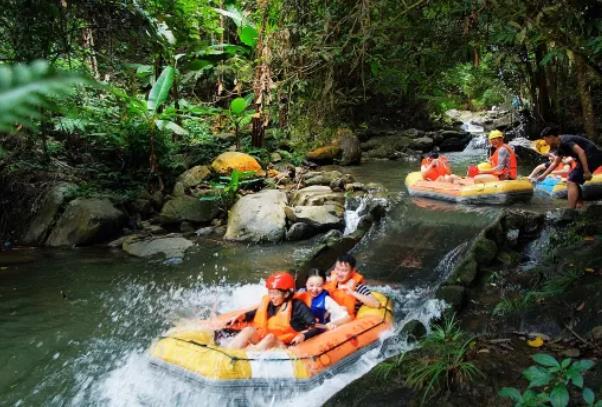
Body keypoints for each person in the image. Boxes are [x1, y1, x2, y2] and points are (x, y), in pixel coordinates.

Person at [225, 271, 323, 350]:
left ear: (287, 294)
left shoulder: (298, 306)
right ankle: (228, 353)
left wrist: (303, 336)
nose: (272, 297)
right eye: (270, 293)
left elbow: (316, 326)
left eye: (275, 293)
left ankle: (244, 361)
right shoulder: (270, 303)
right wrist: (242, 316)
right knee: (248, 330)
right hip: (264, 343)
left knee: (270, 337)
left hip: (286, 347)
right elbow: (255, 312)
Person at [537, 125, 602, 208]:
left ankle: (571, 210)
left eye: (545, 139)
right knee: (572, 178)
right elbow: (555, 163)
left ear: (551, 137)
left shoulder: (565, 141)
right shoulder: (560, 145)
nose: (545, 142)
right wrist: (543, 175)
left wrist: (586, 171)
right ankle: (579, 203)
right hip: (587, 158)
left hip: (592, 156)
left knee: (571, 181)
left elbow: (581, 152)